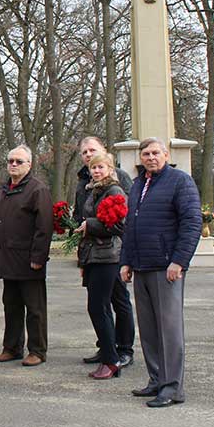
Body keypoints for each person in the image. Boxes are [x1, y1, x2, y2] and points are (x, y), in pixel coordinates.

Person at [120, 137, 201, 408]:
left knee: (169, 330)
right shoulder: (138, 184)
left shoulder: (180, 182)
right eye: (146, 154)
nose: (151, 157)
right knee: (149, 329)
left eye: (156, 153)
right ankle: (156, 379)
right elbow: (130, 226)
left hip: (166, 267)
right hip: (141, 266)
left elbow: (192, 222)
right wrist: (126, 261)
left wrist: (179, 261)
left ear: (166, 155)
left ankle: (172, 387)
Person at [0, 145, 53, 367]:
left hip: (28, 260)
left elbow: (44, 226)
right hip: (7, 259)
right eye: (11, 161)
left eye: (19, 161)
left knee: (35, 309)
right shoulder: (4, 190)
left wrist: (38, 257)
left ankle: (37, 350)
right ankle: (12, 347)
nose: (13, 165)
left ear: (29, 165)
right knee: (11, 306)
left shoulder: (37, 190)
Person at [73, 136, 135, 367]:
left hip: (113, 251)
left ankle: (124, 349)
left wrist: (91, 225)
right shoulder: (85, 181)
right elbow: (81, 213)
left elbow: (124, 217)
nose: (88, 155)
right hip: (93, 249)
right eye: (85, 152)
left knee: (118, 300)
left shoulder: (119, 180)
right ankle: (107, 347)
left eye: (92, 150)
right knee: (101, 303)